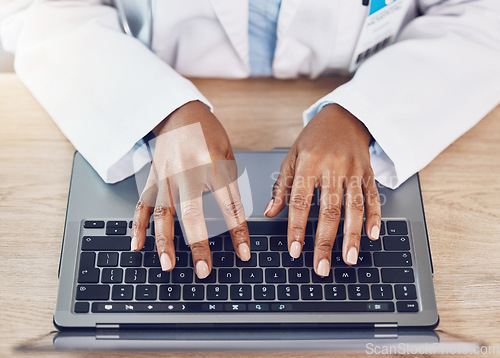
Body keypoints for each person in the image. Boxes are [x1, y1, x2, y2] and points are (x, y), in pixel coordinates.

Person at [1, 0, 499, 279]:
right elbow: (43, 12)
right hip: (147, 77)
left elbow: (483, 16)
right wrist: (162, 109)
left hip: (369, 80)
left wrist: (362, 113)